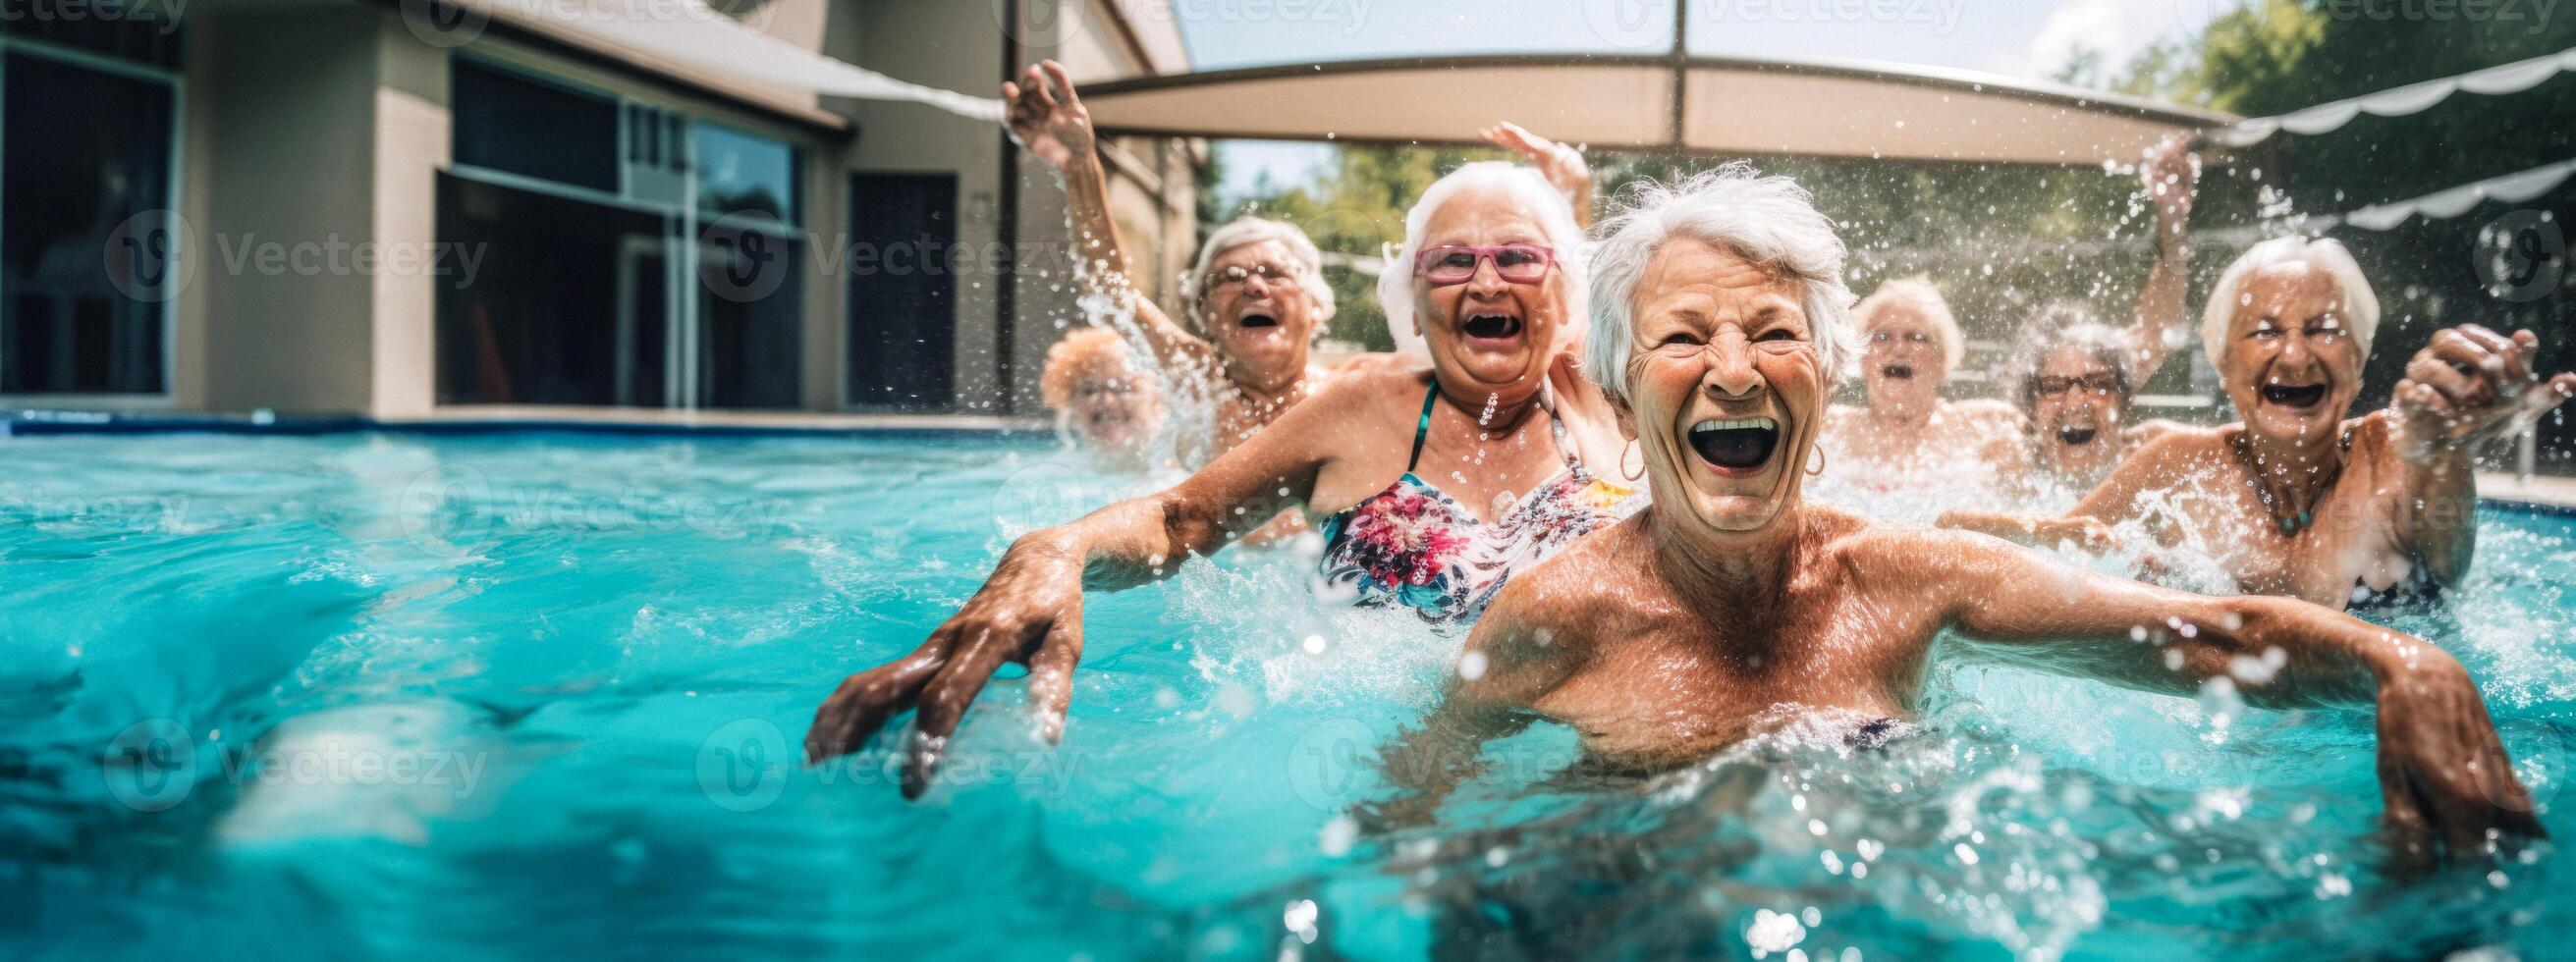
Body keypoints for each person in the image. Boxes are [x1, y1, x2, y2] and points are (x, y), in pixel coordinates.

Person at [1377, 167, 2543, 862]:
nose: (1733, 369)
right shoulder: (1552, 617)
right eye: (1685, 336)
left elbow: (2209, 627)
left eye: (1773, 331)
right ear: (1626, 403)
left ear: (1819, 388)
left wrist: (2403, 663)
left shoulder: (1907, 576)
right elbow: (1404, 815)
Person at [804, 161, 1635, 795]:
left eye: (1518, 257)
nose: (1485, 281)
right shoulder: (1356, 412)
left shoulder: (1612, 393)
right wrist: (1055, 549)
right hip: (1411, 767)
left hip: (1608, 757)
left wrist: (1565, 204)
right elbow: (1179, 519)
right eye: (1451, 261)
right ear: (1413, 298)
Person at [1940, 237, 2576, 612]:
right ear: (2223, 366)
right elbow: (2057, 539)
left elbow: (2448, 565)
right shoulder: (2180, 464)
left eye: (2322, 331)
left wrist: (2446, 450)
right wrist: (1934, 531)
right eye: (2265, 331)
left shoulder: (2395, 449)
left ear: (2356, 367)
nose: (2294, 355)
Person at [1005, 61, 1336, 467]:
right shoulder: (1199, 383)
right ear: (1205, 314)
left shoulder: (1348, 396)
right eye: (1229, 278)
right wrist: (1080, 165)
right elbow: (1111, 289)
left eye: (1275, 273)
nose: (1253, 286)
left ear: (1318, 306)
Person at [2012, 139, 2199, 494]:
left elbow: (2156, 330)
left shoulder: (2151, 458)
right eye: (2053, 386)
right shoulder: (2008, 463)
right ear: (2030, 407)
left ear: (2124, 399)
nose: (2075, 401)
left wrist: (2172, 220)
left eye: (2098, 384)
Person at [1038, 326, 1167, 471]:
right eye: (1089, 390)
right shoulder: (1061, 470)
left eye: (1122, 388)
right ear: (1071, 403)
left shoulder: (1180, 464)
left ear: (1158, 399)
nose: (1107, 402)